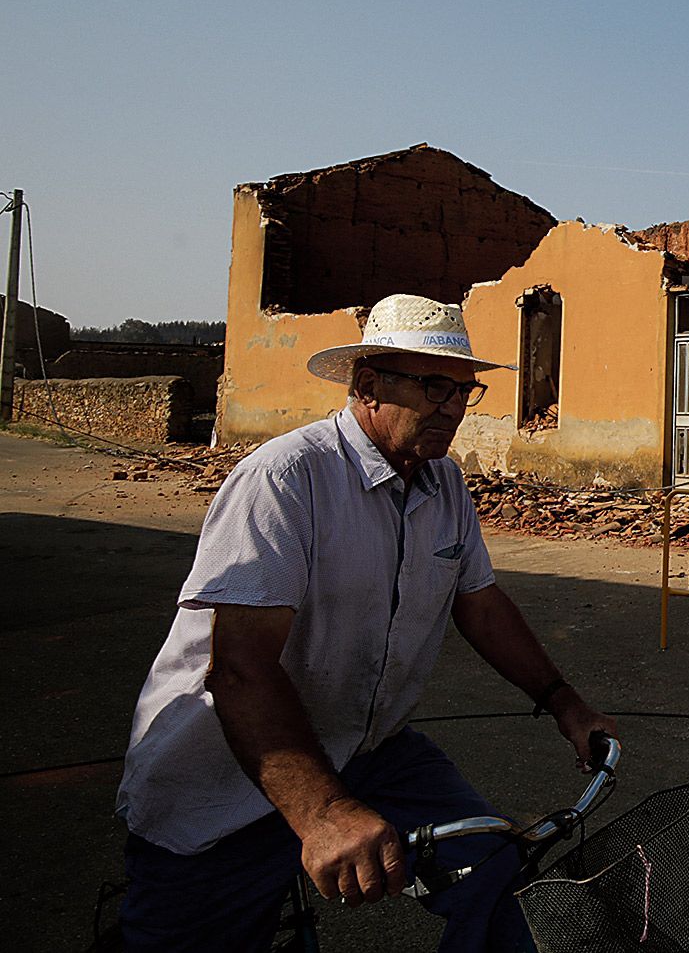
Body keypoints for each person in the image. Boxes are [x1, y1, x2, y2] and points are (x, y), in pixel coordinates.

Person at [115, 293, 616, 951]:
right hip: (232, 769)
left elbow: (482, 604)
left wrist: (566, 704)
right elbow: (239, 667)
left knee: (501, 872)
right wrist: (322, 813)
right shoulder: (287, 479)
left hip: (365, 748)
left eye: (465, 390)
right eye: (434, 385)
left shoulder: (443, 484)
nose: (454, 407)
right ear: (368, 384)